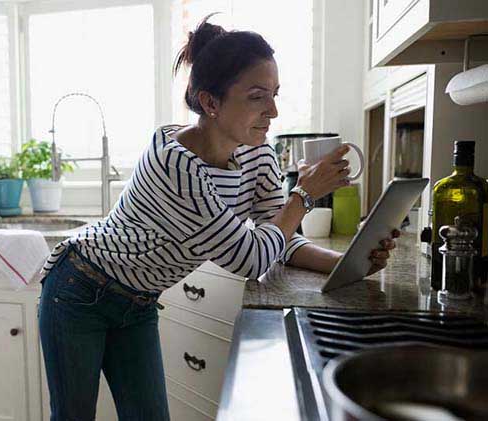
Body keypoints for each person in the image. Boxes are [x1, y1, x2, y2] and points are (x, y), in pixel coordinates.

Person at [38, 15, 399, 421]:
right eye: (258, 96)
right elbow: (251, 257)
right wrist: (304, 192)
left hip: (137, 303)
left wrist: (350, 261)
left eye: (275, 94)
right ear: (210, 102)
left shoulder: (256, 152)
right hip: (81, 288)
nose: (274, 111)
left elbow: (278, 238)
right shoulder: (175, 165)